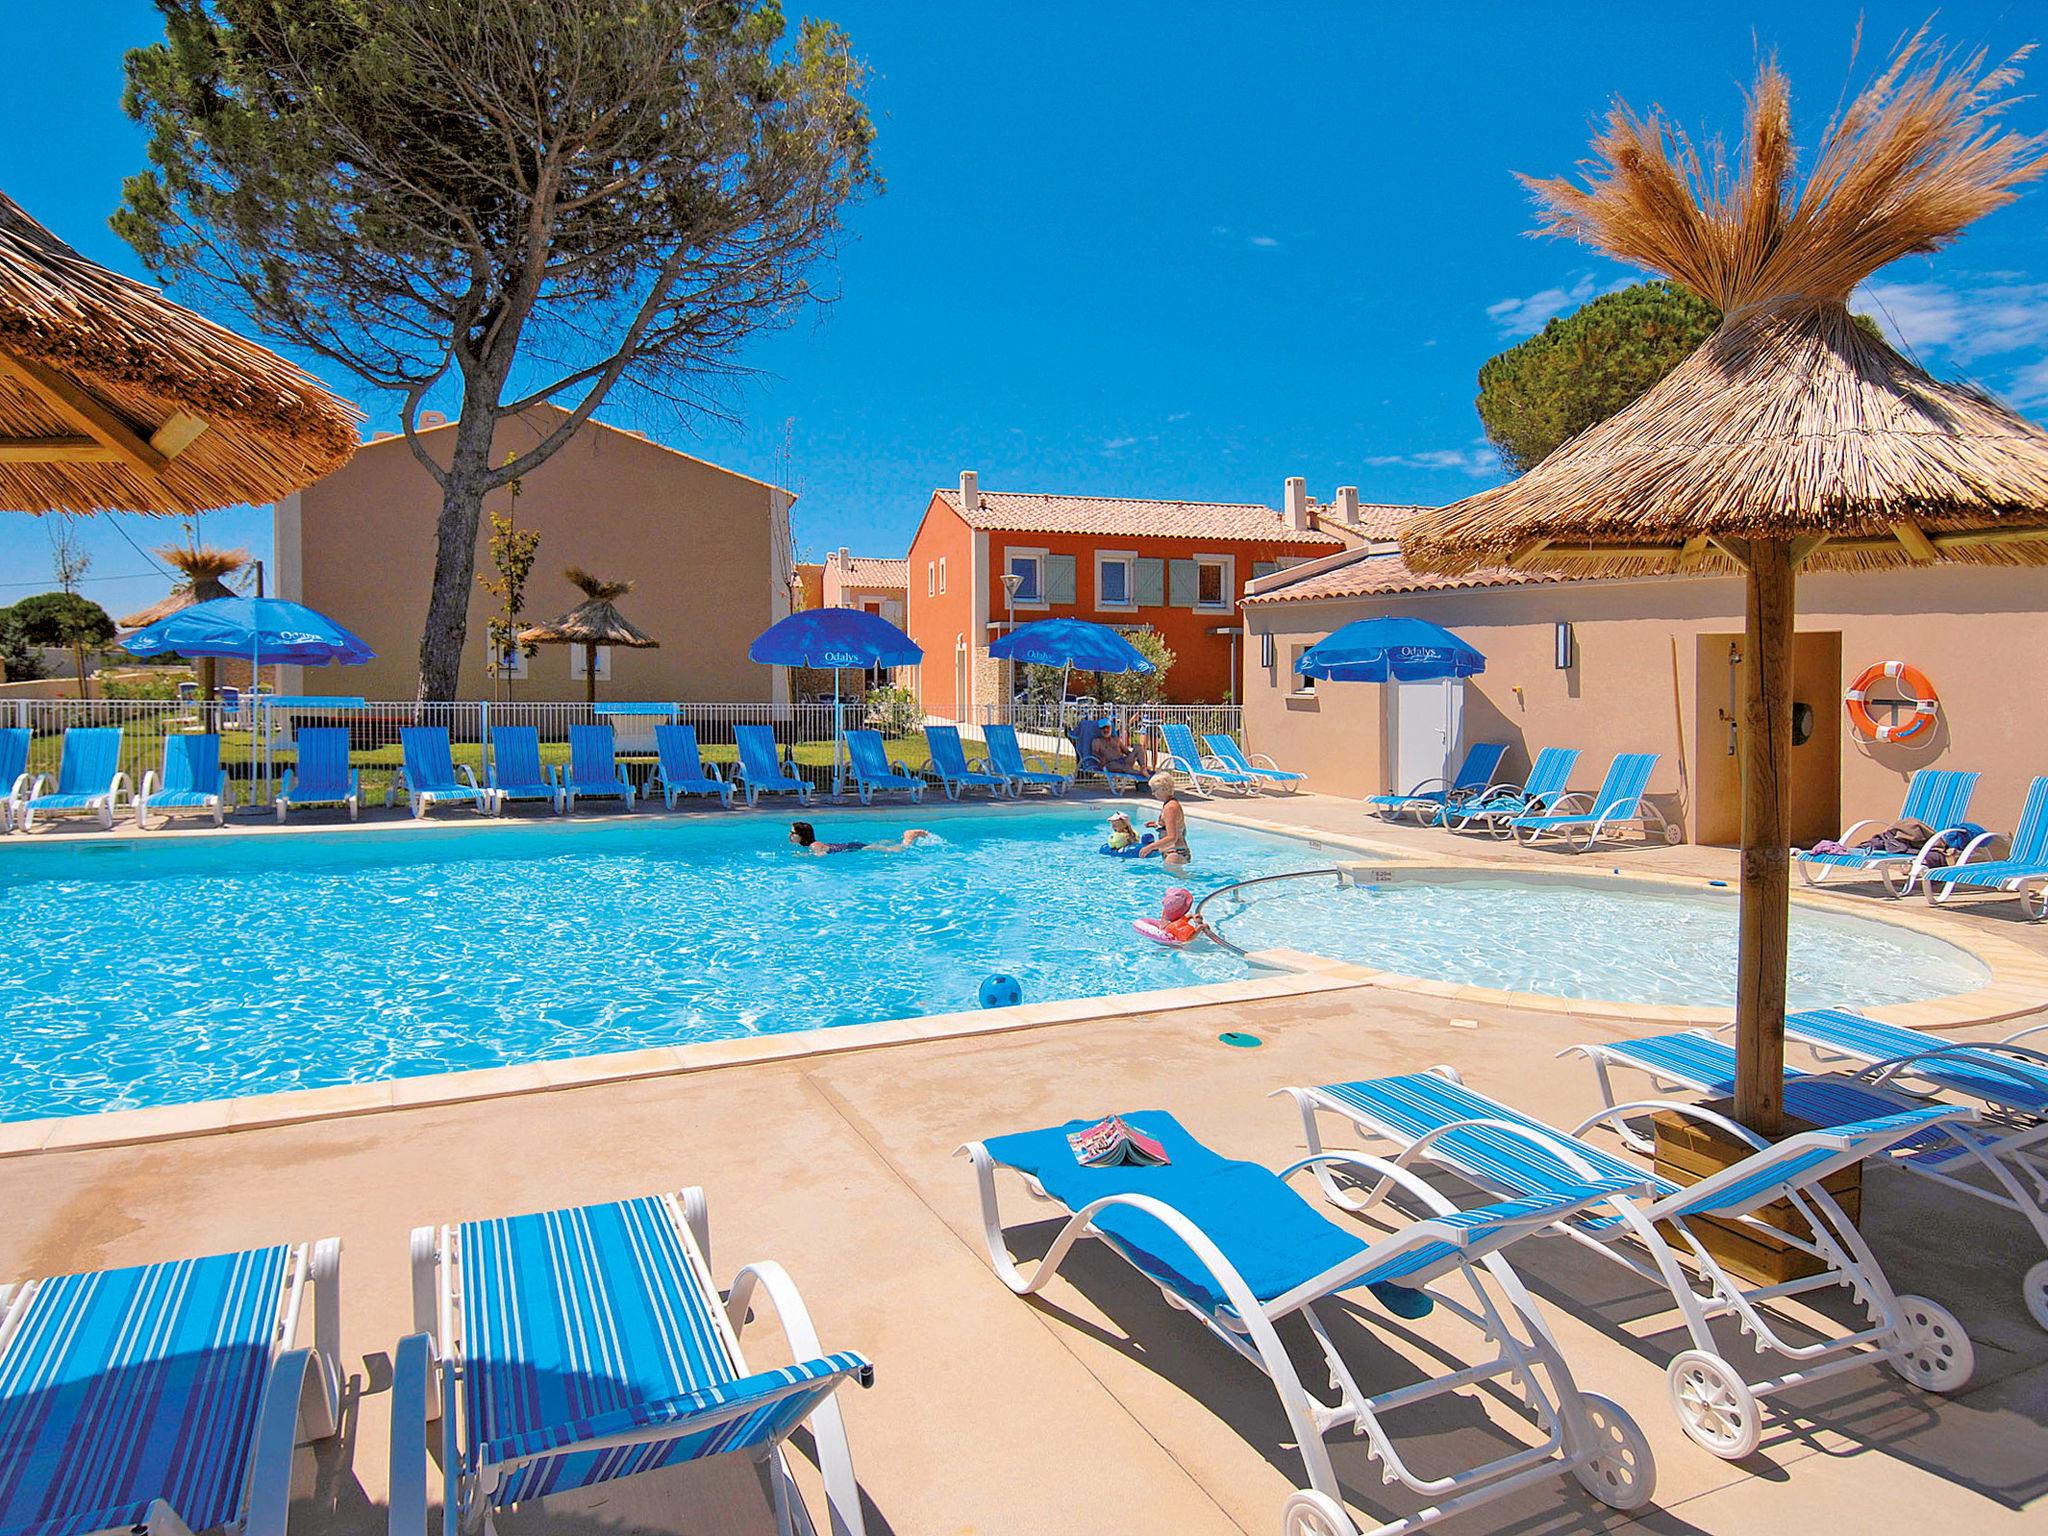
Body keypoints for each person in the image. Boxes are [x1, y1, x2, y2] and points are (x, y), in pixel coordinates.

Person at [789, 820, 932, 856]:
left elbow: (821, 855)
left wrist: (806, 857)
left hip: (853, 848)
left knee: (896, 850)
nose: (790, 836)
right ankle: (901, 836)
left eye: (793, 833)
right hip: (851, 846)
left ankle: (908, 837)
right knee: (880, 845)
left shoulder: (814, 845)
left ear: (802, 836)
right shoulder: (812, 845)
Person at [1137, 772, 1190, 868]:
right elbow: (1176, 827)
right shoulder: (1170, 803)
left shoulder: (1170, 808)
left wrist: (1150, 847)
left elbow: (1172, 837)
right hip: (1172, 852)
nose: (1153, 793)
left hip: (1175, 854)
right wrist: (1157, 825)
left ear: (1163, 789)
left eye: (1154, 790)